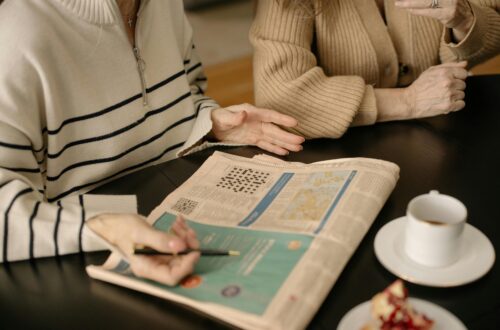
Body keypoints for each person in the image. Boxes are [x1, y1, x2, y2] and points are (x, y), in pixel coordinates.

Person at [0, 0, 305, 285]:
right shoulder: (15, 36)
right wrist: (104, 228)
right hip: (79, 263)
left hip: (177, 229)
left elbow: (187, 90)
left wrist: (209, 124)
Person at [251, 0, 500, 139]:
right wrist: (408, 101)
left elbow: (491, 30)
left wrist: (465, 19)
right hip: (342, 144)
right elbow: (279, 96)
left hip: (442, 127)